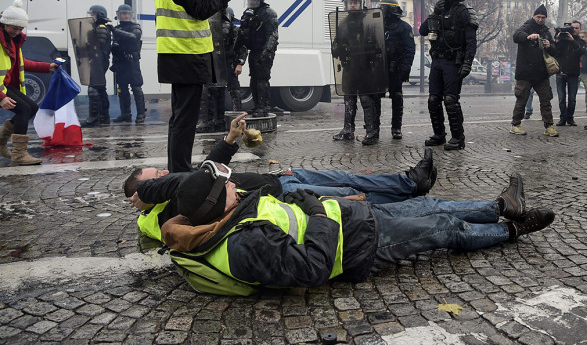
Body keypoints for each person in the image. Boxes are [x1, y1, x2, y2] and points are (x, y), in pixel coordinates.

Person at [158, 155, 553, 295]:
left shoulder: (232, 213)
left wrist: (311, 202)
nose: (232, 184)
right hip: (360, 247)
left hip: (354, 221)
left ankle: (501, 206)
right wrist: (317, 213)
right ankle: (510, 230)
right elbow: (311, 268)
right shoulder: (241, 247)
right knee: (443, 227)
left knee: (430, 204)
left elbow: (288, 212)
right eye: (223, 186)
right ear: (213, 204)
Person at [124, 113, 439, 241]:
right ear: (145, 194)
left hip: (279, 178)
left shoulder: (178, 190)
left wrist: (230, 139)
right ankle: (410, 190)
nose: (164, 173)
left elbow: (207, 169)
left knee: (346, 177)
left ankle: (409, 183)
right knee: (346, 190)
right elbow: (175, 183)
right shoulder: (163, 212)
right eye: (156, 176)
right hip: (280, 195)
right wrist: (146, 189)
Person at [153, 0, 239, 173]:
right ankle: (180, 172)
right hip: (187, 54)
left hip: (172, 52)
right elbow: (200, 10)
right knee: (186, 119)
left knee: (179, 118)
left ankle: (176, 168)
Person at [419, 0, 479, 150]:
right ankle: (439, 135)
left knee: (451, 100)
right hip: (437, 61)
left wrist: (468, 62)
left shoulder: (463, 12)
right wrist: (434, 13)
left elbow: (471, 41)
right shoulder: (438, 11)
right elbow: (423, 31)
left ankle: (458, 138)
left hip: (453, 62)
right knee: (433, 100)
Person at [0, 0, 59, 165]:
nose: (17, 32)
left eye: (20, 29)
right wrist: (1, 97)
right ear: (5, 23)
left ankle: (1, 142)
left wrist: (49, 67)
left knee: (32, 107)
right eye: (14, 28)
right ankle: (19, 155)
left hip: (6, 86)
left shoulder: (12, 40)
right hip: (1, 90)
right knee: (24, 109)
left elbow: (22, 63)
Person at [331, 0, 383, 145]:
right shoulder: (344, 22)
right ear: (346, 4)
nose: (352, 5)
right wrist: (336, 48)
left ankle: (371, 132)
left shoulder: (368, 20)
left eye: (355, 2)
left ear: (360, 3)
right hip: (349, 67)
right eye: (350, 2)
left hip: (365, 67)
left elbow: (376, 44)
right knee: (349, 99)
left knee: (366, 99)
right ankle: (348, 130)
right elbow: (338, 42)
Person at [509, 5, 559, 136]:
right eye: (538, 17)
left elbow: (554, 50)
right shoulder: (526, 26)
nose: (541, 19)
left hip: (541, 73)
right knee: (522, 99)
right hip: (525, 72)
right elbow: (516, 36)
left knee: (546, 100)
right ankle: (515, 125)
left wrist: (550, 45)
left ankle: (549, 126)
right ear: (534, 16)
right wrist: (528, 37)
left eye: (543, 17)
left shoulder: (546, 31)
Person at [233, 0, 279, 118]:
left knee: (262, 79)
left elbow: (273, 35)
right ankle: (257, 105)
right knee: (253, 79)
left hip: (264, 51)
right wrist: (235, 50)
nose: (251, 1)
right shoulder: (248, 13)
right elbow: (242, 34)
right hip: (253, 51)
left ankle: (263, 107)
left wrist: (266, 52)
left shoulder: (268, 13)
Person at [197, 7, 241, 133]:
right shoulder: (212, 28)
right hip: (215, 62)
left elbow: (241, 48)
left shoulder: (234, 30)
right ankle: (211, 122)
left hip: (228, 63)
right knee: (211, 91)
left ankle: (228, 119)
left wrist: (239, 63)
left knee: (231, 91)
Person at [378, 0, 415, 140]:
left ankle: (396, 128)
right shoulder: (377, 26)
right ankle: (375, 128)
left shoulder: (404, 27)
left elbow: (410, 49)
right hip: (380, 68)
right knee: (376, 97)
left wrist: (406, 69)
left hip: (396, 67)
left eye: (383, 8)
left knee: (397, 97)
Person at [111, 4, 146, 124]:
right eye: (123, 13)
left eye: (128, 13)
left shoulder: (135, 26)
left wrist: (116, 31)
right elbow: (115, 48)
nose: (126, 16)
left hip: (132, 62)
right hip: (121, 63)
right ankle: (125, 114)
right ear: (119, 15)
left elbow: (134, 37)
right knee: (122, 89)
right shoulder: (117, 28)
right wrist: (114, 63)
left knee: (136, 88)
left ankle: (141, 114)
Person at [82, 5, 112, 128]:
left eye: (93, 14)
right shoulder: (98, 27)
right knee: (100, 89)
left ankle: (94, 118)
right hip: (98, 61)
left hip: (99, 61)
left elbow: (96, 45)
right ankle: (104, 117)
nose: (91, 16)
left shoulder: (100, 28)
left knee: (93, 89)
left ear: (99, 15)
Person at [553, 20, 586, 127]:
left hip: (573, 73)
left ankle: (570, 118)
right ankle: (563, 118)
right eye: (573, 28)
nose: (574, 30)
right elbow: (554, 51)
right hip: (561, 71)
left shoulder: (580, 41)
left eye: (577, 28)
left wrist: (572, 40)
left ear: (580, 29)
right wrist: (557, 39)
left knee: (572, 98)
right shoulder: (562, 40)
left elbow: (581, 52)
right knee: (561, 97)